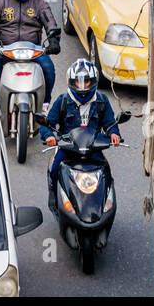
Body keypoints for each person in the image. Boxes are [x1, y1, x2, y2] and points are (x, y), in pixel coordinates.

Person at [41, 58, 123, 212]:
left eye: (86, 82)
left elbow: (110, 122)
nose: (82, 87)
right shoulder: (63, 100)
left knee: (107, 172)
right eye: (78, 82)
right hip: (68, 147)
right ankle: (54, 195)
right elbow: (48, 123)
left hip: (93, 147)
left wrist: (114, 134)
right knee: (54, 169)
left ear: (94, 81)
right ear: (71, 82)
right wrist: (49, 137)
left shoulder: (101, 100)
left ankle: (105, 200)